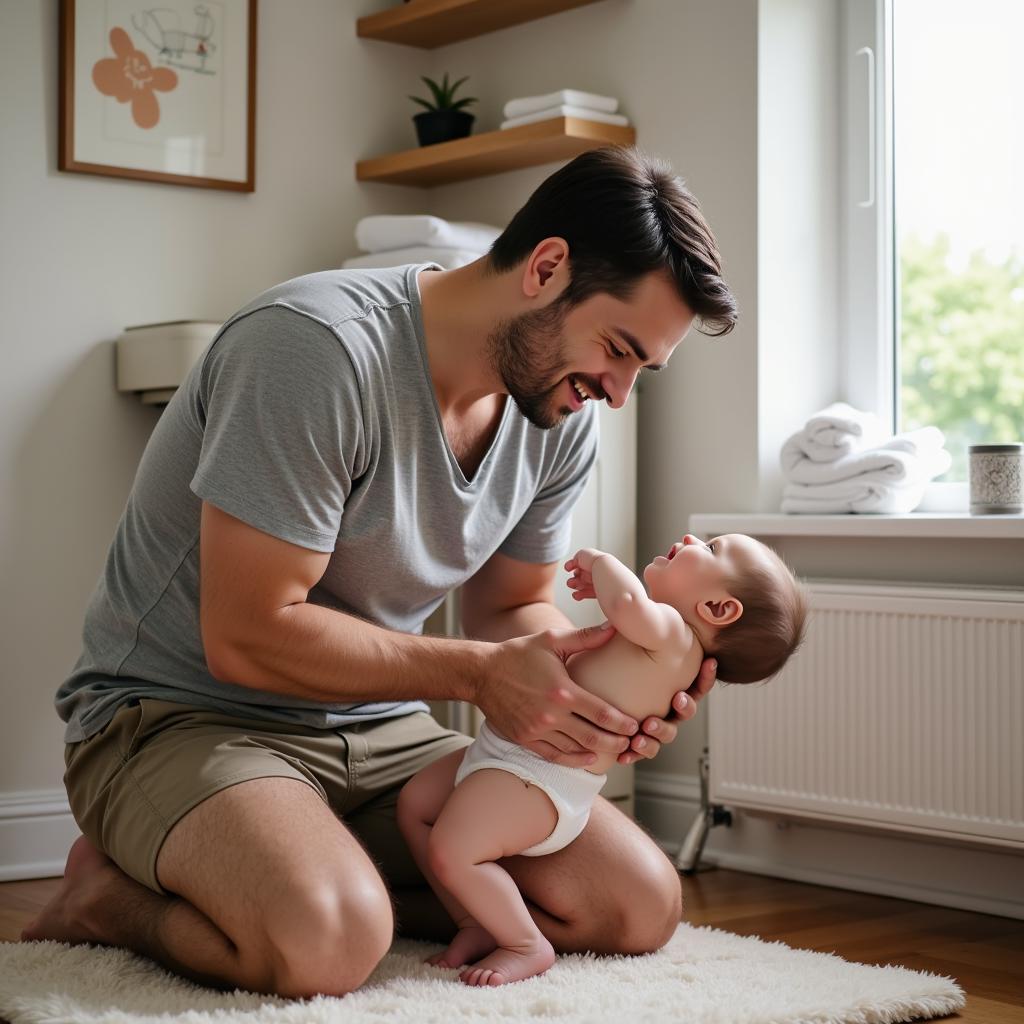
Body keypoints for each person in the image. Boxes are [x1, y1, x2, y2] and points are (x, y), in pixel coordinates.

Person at [23, 146, 738, 998]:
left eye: (639, 372)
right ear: (547, 269)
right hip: (180, 717)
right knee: (327, 943)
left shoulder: (559, 415)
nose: (617, 393)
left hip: (381, 729)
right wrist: (482, 677)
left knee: (634, 904)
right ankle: (108, 899)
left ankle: (301, 871)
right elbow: (247, 637)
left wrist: (603, 690)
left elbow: (513, 607)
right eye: (617, 350)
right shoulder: (316, 350)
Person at [398, 532, 808, 986]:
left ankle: (523, 943)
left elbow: (628, 599)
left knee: (454, 850)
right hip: (507, 754)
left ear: (717, 608)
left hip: (535, 778)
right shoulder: (665, 642)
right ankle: (476, 922)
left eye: (712, 549)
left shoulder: (673, 633)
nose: (691, 538)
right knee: (417, 803)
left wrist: (601, 563)